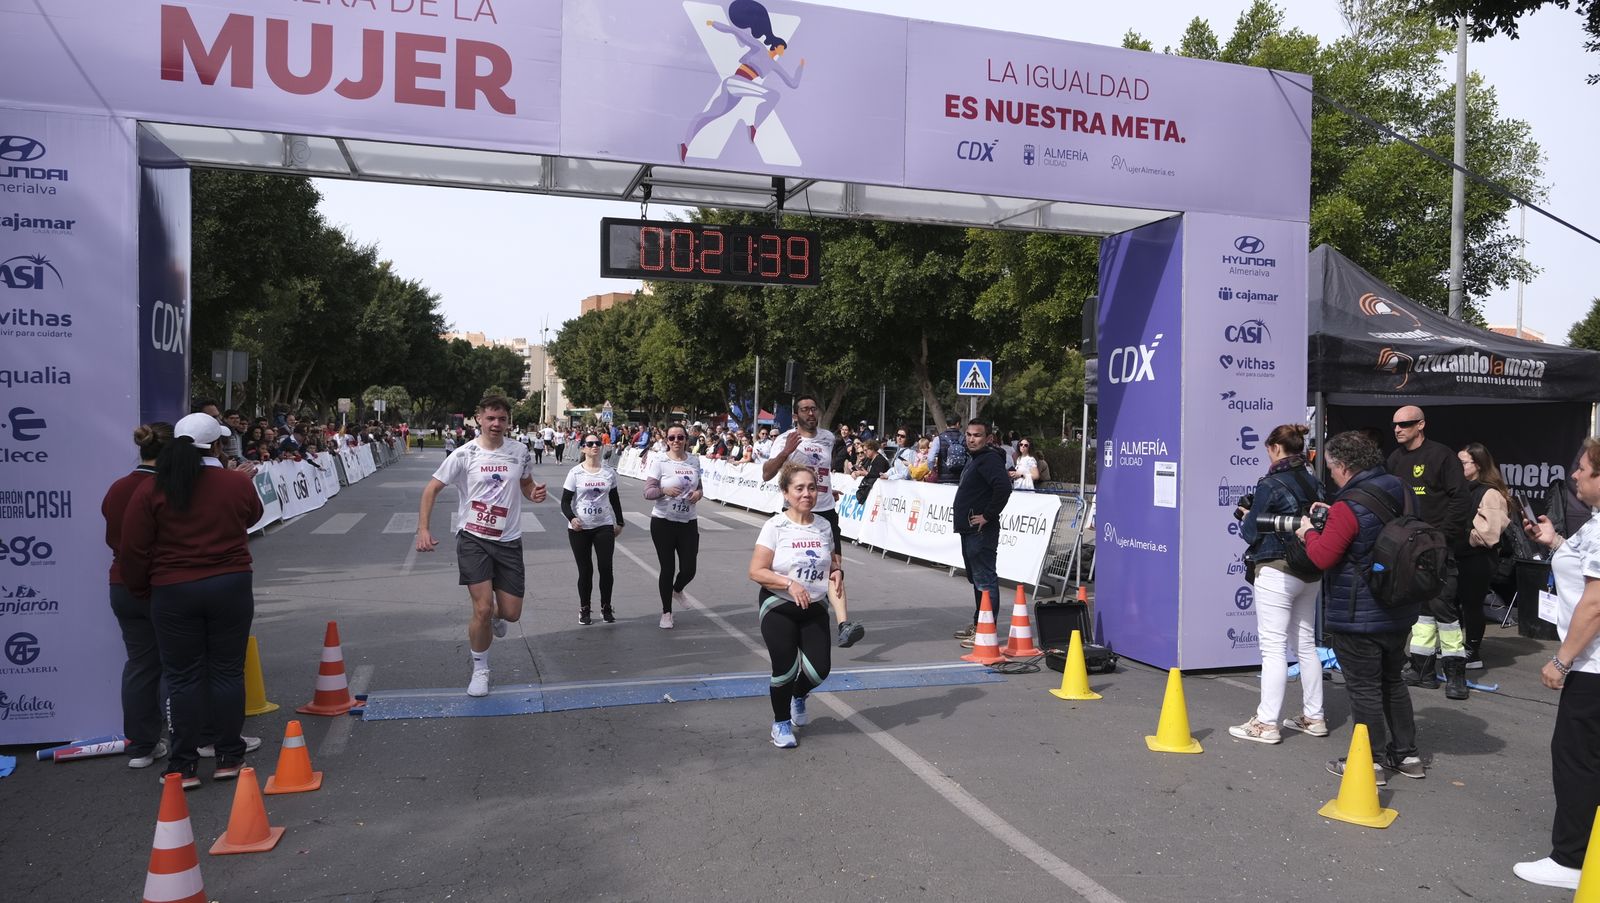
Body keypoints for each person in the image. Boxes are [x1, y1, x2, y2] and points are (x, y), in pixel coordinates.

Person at [119, 413, 264, 789]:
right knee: (228, 671)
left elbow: (132, 547)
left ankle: (182, 765)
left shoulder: (153, 488)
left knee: (182, 677)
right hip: (230, 584)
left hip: (173, 590)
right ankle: (229, 755)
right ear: (217, 445)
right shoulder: (234, 483)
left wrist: (142, 589)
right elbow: (253, 516)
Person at [1297, 431, 1424, 784]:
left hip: (1358, 613)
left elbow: (1322, 557)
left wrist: (1308, 532)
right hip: (1399, 604)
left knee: (1364, 688)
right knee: (1392, 681)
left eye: (1330, 468)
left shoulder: (1348, 504)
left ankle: (1371, 762)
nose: (1331, 474)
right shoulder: (1401, 488)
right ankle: (1407, 755)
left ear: (1343, 465)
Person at [416, 395, 547, 698]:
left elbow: (526, 484)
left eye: (501, 419)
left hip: (509, 541)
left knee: (511, 613)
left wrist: (534, 494)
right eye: (490, 418)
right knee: (482, 608)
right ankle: (480, 669)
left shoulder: (519, 452)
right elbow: (431, 489)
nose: (496, 424)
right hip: (473, 538)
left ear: (509, 421)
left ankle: (497, 617)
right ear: (479, 419)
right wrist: (423, 529)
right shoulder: (464, 454)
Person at [1513, 438, 1600, 891]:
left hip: (1592, 666)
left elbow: (1596, 603)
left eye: (1583, 468)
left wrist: (1561, 661)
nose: (1575, 475)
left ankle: (1570, 860)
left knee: (1576, 760)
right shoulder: (1595, 523)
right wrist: (1556, 542)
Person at [1228, 424, 1326, 744]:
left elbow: (1250, 533)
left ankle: (1266, 723)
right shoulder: (1314, 482)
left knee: (1273, 649)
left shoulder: (1270, 483)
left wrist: (1246, 515)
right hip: (1310, 569)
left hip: (1277, 569)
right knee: (1306, 645)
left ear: (1275, 448)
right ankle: (1314, 717)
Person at [748, 463, 840, 748]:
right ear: (786, 493)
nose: (806, 494)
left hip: (814, 606)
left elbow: (832, 565)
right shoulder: (775, 526)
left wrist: (837, 573)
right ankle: (781, 723)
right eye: (799, 488)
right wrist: (789, 583)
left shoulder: (824, 526)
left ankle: (798, 695)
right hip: (779, 606)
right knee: (785, 668)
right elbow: (756, 571)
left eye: (811, 488)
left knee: (819, 670)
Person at [762, 394, 864, 647]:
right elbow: (767, 474)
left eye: (813, 409)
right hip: (796, 511)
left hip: (826, 509)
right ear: (795, 415)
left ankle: (843, 624)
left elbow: (823, 472)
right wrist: (787, 451)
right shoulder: (785, 439)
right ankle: (794, 613)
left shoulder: (828, 438)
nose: (810, 413)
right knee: (799, 562)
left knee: (834, 567)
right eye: (805, 409)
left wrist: (828, 489)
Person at [100, 422, 173, 770]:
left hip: (123, 586)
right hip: (162, 582)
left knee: (141, 665)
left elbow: (111, 534)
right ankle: (192, 738)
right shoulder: (167, 488)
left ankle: (142, 746)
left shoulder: (118, 488)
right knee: (181, 664)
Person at [1389, 405, 1473, 698]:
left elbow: (1461, 499)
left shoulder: (1442, 456)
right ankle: (1421, 668)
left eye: (1405, 424)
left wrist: (1442, 537)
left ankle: (1455, 673)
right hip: (1408, 548)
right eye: (1395, 424)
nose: (1398, 429)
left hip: (1437, 547)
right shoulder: (1395, 459)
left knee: (1443, 609)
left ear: (1421, 425)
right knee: (1421, 610)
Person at [680, 0, 806, 163]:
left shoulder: (774, 65)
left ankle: (685, 145)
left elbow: (792, 83)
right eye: (783, 48)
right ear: (777, 46)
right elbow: (737, 32)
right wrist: (714, 24)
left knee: (710, 115)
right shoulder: (760, 48)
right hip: (736, 81)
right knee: (773, 95)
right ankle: (753, 127)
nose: (783, 52)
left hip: (737, 92)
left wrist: (801, 67)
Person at [953, 420, 1011, 644]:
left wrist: (987, 515)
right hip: (969, 529)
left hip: (981, 531)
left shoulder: (989, 459)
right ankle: (980, 624)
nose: (971, 439)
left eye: (977, 435)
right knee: (977, 580)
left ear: (988, 438)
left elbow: (1003, 488)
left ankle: (986, 631)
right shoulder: (976, 458)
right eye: (968, 434)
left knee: (985, 580)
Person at [643, 424, 703, 629]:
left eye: (680, 437)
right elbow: (647, 492)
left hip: (688, 521)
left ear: (686, 439)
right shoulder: (660, 461)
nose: (676, 441)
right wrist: (663, 490)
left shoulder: (694, 460)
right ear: (667, 440)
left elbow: (700, 488)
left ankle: (677, 590)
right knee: (667, 568)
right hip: (663, 522)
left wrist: (698, 494)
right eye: (671, 438)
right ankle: (666, 613)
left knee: (689, 569)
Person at [561, 433, 624, 625]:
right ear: (583, 448)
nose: (595, 446)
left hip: (603, 525)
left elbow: (614, 499)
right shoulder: (575, 473)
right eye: (590, 444)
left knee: (606, 568)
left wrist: (620, 522)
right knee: (585, 570)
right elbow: (565, 502)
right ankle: (585, 608)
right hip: (580, 528)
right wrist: (572, 518)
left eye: (597, 443)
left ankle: (606, 607)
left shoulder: (608, 472)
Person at [1458, 442, 1511, 670]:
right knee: (1453, 602)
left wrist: (1461, 536)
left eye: (1462, 463)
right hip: (1460, 555)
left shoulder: (1490, 493)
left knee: (1472, 604)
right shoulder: (1462, 489)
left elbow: (1488, 534)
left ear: (1478, 464)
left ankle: (1472, 652)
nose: (1457, 467)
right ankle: (1455, 647)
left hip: (1478, 558)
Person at [930, 413, 969, 485]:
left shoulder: (938, 439)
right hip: (961, 479)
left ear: (946, 424)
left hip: (944, 480)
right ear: (958, 424)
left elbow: (930, 459)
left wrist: (932, 470)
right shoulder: (965, 439)